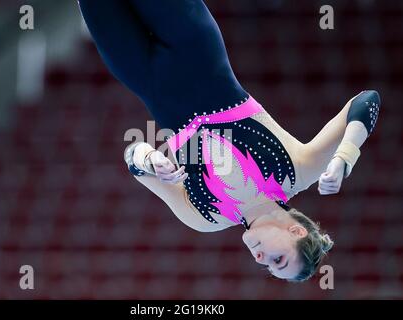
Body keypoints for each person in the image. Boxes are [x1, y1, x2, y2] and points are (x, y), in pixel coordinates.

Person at [78, 0, 381, 281]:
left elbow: (133, 158)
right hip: (192, 45)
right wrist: (345, 157)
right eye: (278, 259)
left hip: (141, 74)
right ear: (296, 230)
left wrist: (150, 160)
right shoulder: (300, 171)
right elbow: (367, 101)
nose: (261, 258)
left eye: (267, 266)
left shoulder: (203, 217)